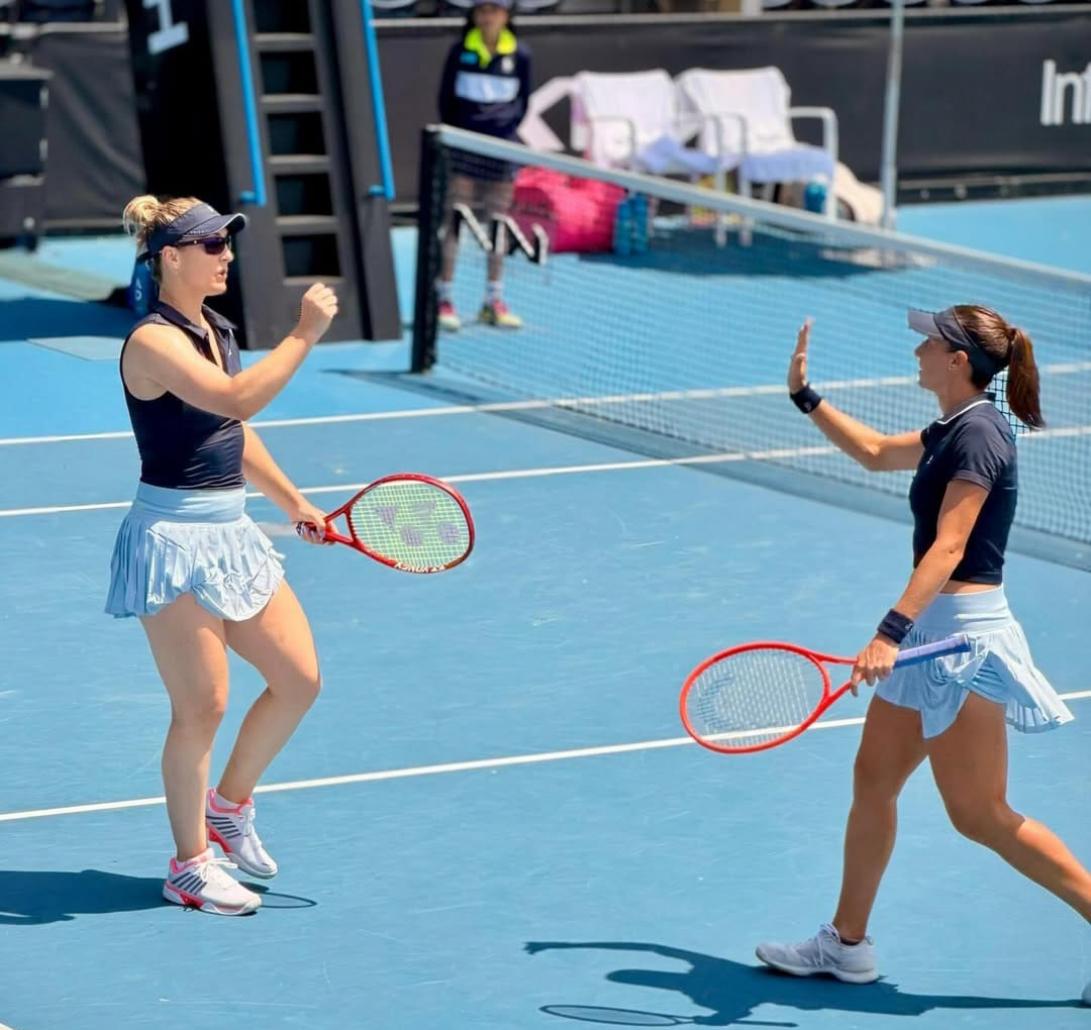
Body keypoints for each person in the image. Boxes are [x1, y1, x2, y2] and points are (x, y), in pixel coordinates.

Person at [755, 306, 1090, 993]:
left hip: (961, 637)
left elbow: (949, 546)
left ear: (957, 360)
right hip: (930, 631)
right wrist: (804, 397)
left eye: (927, 342)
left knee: (979, 816)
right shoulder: (949, 429)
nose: (916, 350)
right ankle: (845, 945)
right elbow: (877, 453)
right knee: (872, 781)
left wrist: (887, 632)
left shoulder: (978, 436)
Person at [107, 194, 338, 915]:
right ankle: (189, 865)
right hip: (172, 541)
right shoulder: (152, 342)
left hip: (232, 532)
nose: (225, 256)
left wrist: (291, 501)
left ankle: (228, 806)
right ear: (169, 257)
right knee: (201, 707)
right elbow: (238, 400)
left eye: (226, 245)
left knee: (298, 679)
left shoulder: (216, 327)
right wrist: (304, 333)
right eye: (211, 246)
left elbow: (230, 433)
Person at [436, 0, 531, 332]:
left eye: (495, 9)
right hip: (465, 148)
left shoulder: (520, 54)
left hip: (501, 149)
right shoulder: (459, 51)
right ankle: (444, 298)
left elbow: (523, 102)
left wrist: (501, 131)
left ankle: (493, 300)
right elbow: (445, 101)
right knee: (456, 221)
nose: (488, 16)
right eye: (483, 10)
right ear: (475, 15)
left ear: (506, 15)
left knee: (498, 224)